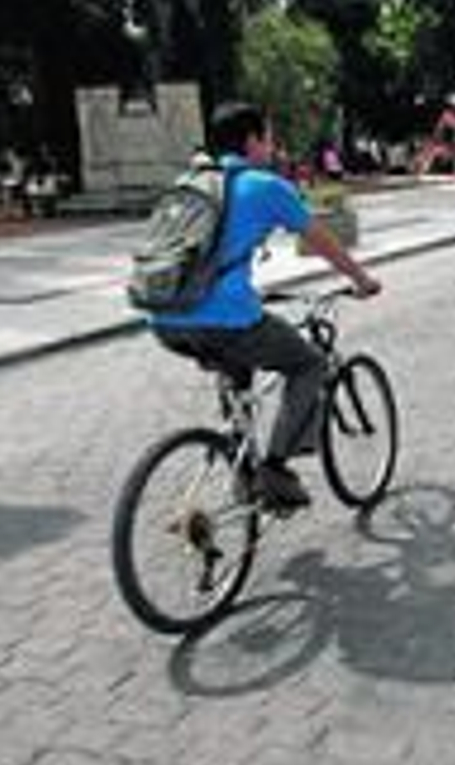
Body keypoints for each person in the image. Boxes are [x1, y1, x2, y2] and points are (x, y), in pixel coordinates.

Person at [149, 102, 382, 510]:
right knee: (309, 364)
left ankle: (242, 474)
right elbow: (320, 239)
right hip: (222, 319)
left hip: (164, 316)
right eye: (269, 138)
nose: (273, 148)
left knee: (237, 370)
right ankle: (273, 469)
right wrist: (361, 279)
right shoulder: (265, 185)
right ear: (252, 140)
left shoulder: (191, 182)